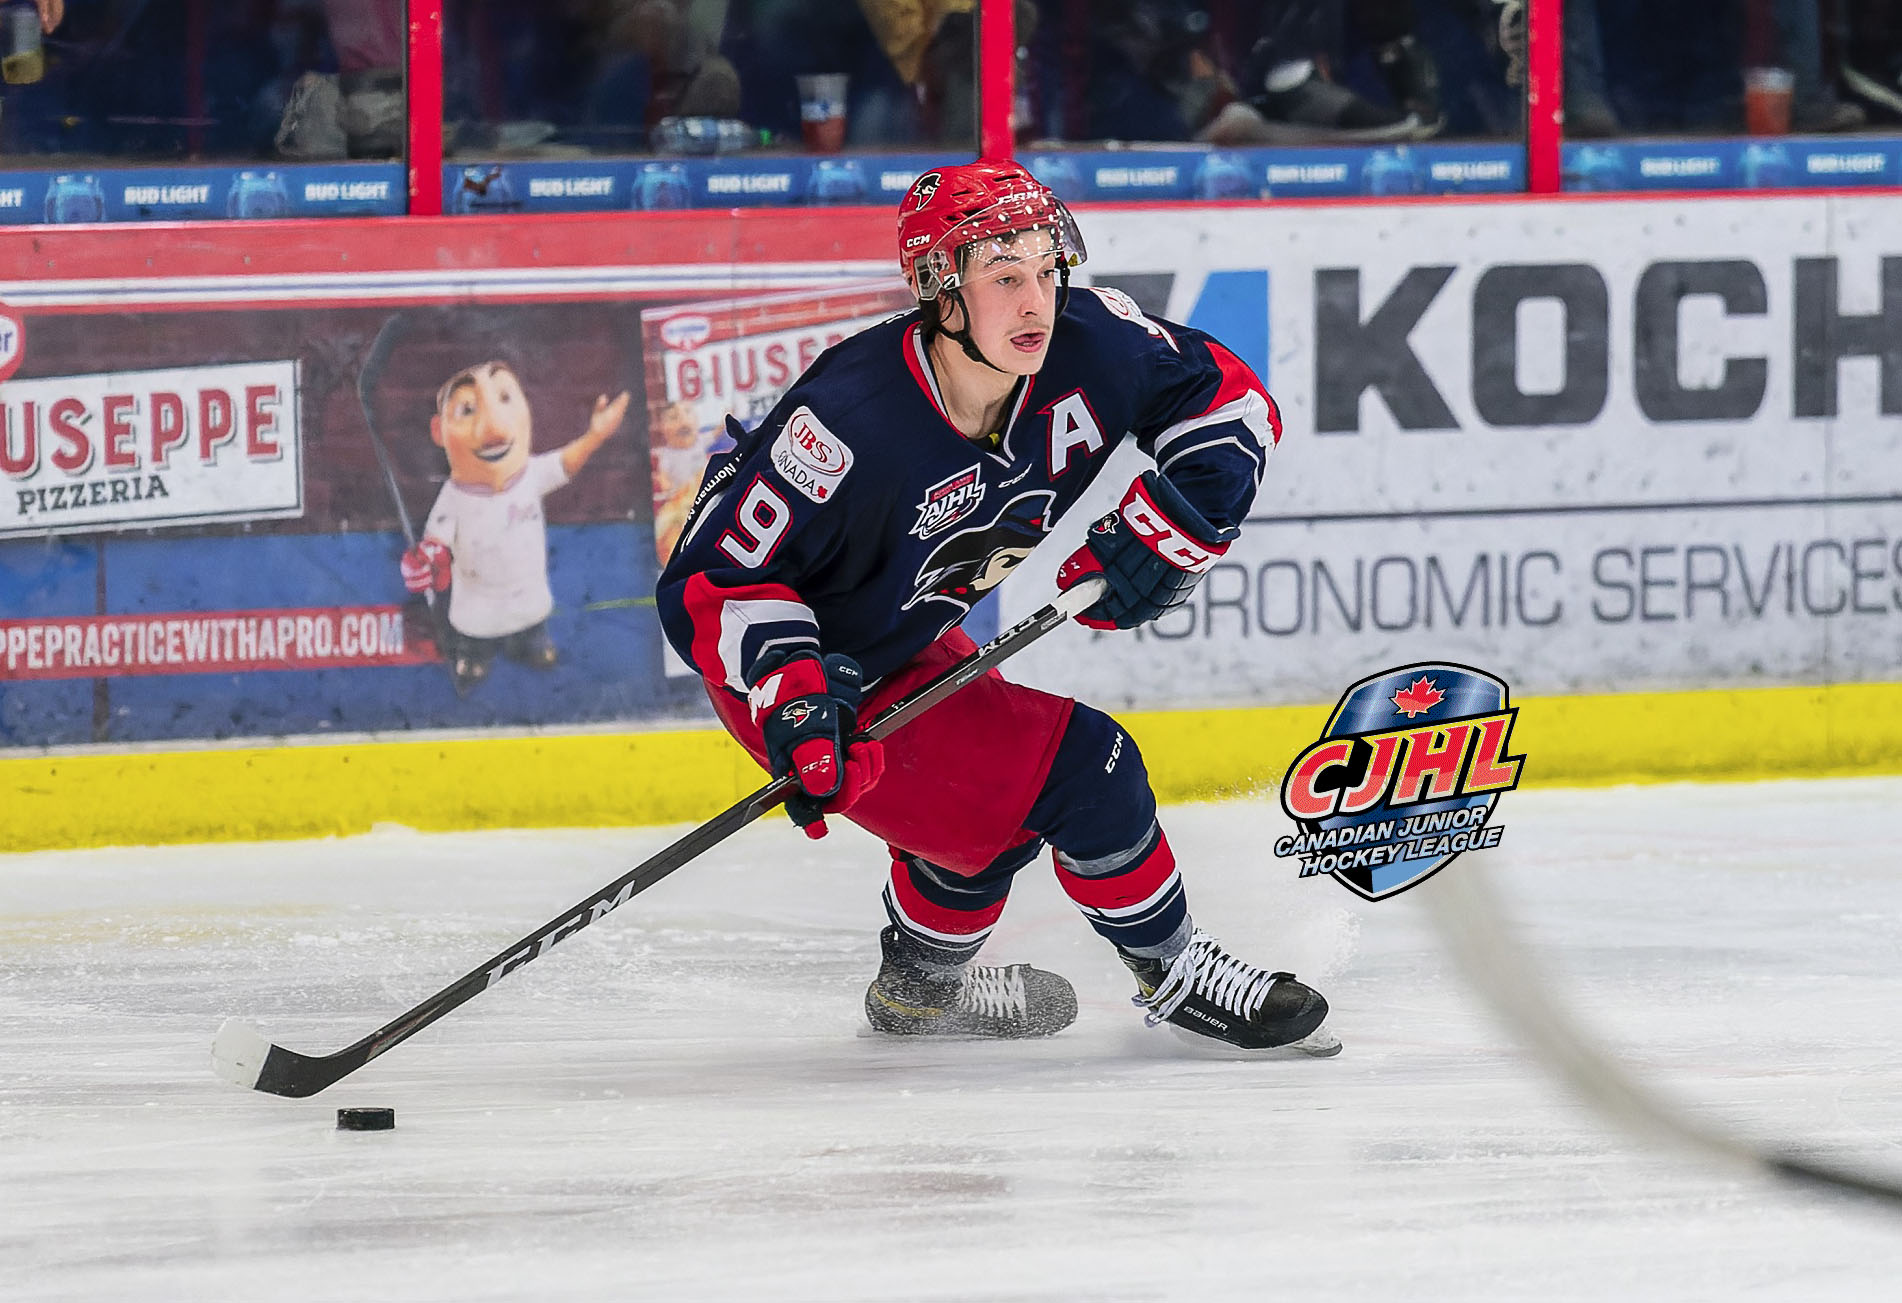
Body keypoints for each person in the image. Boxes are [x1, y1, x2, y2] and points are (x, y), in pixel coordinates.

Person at [655, 159, 1340, 1055]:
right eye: (1004, 277)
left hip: (906, 640)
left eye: (1047, 271)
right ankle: (1177, 979)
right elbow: (713, 584)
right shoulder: (845, 420)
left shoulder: (1092, 346)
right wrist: (795, 696)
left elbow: (1228, 399)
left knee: (990, 824)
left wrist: (1184, 520)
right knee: (1088, 770)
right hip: (803, 672)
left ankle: (917, 994)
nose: (1037, 302)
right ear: (942, 293)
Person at [401, 359, 630, 694]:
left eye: (505, 398)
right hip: (475, 613)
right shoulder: (454, 497)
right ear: (440, 431)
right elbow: (436, 545)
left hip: (529, 601)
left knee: (533, 631)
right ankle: (474, 656)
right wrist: (426, 563)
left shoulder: (530, 476)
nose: (492, 429)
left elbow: (566, 463)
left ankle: (531, 643)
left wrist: (595, 436)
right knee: (474, 641)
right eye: (467, 409)